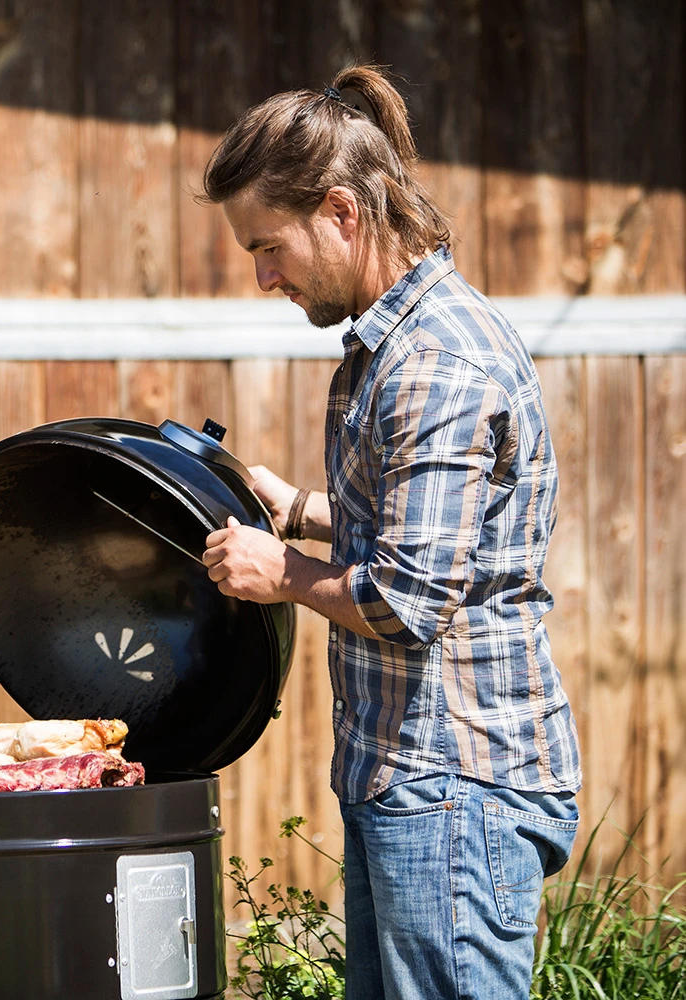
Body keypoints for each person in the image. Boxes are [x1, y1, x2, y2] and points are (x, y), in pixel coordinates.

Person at [197, 65, 582, 999]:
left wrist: (281, 570)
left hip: (455, 785)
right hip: (416, 781)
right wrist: (299, 509)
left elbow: (409, 599)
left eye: (269, 246)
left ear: (341, 211)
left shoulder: (432, 365)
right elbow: (438, 535)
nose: (262, 277)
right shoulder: (402, 343)